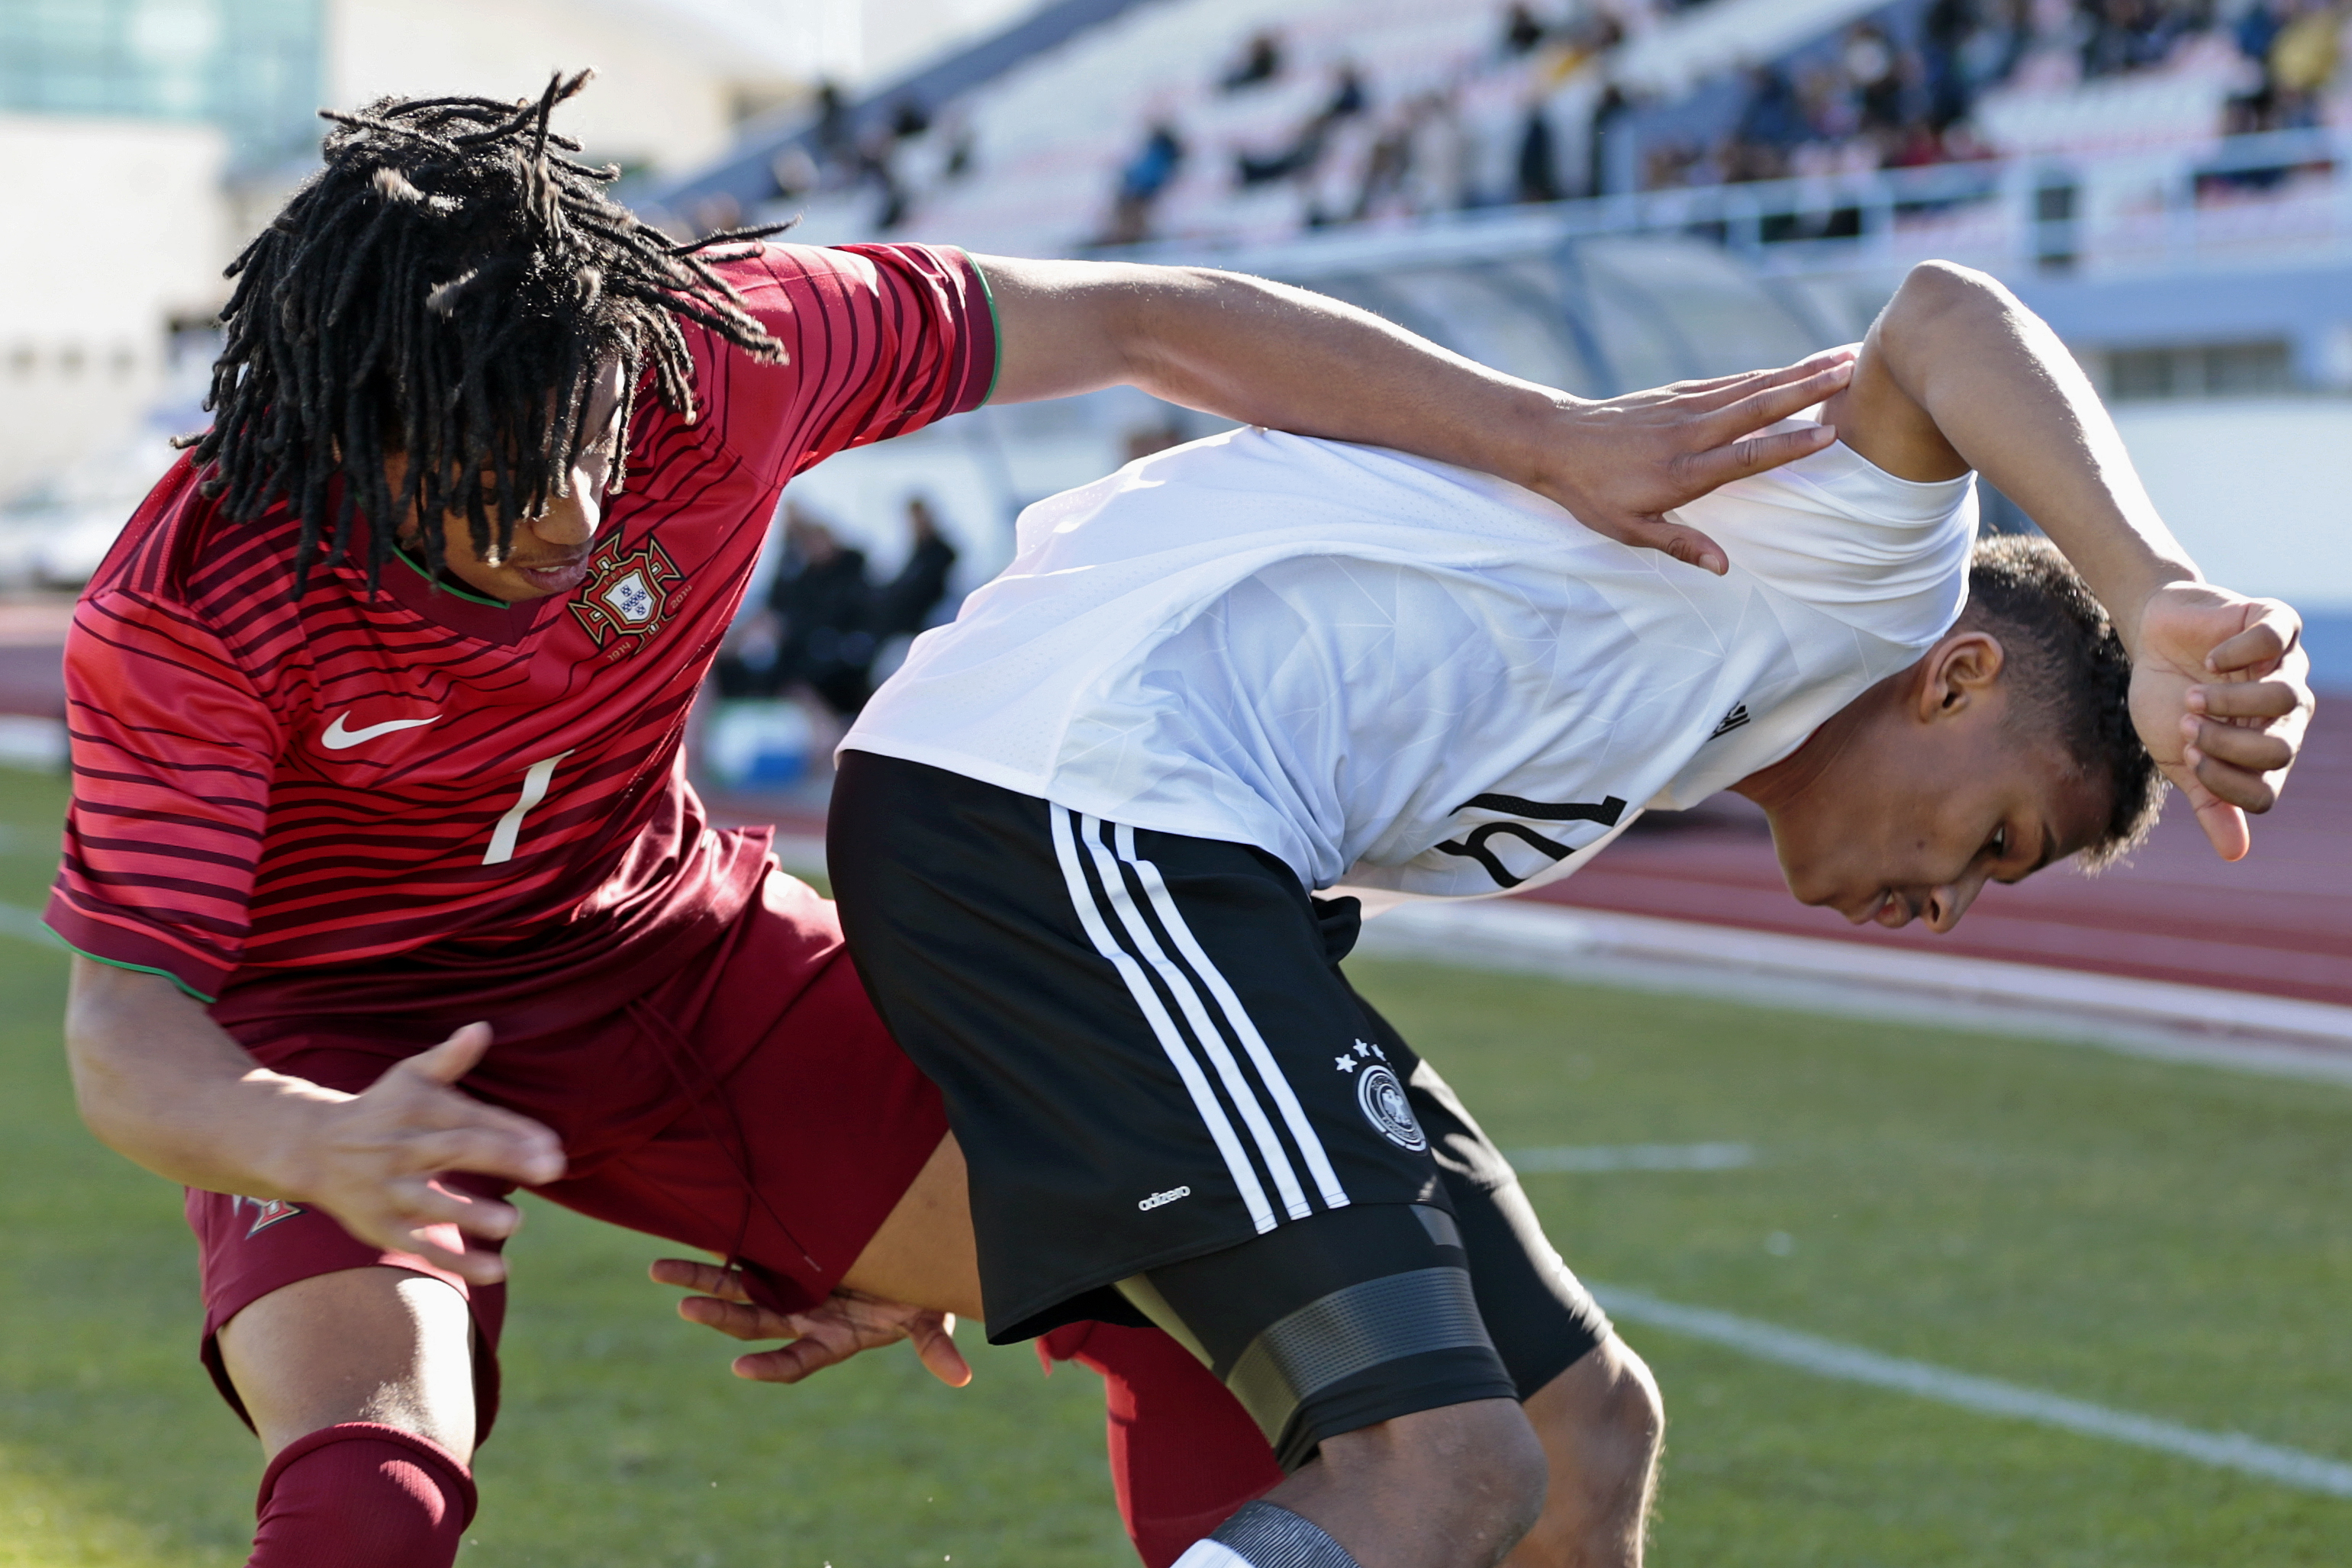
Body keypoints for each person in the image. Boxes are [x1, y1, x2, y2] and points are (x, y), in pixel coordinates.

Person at [50, 73, 1851, 1568]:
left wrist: (1539, 438)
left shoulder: (729, 350)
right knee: (375, 1476)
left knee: (1197, 1271)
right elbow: (130, 1029)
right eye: (497, 482)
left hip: (670, 949)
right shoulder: (196, 599)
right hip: (344, 1040)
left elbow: (1146, 320)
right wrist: (315, 1143)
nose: (581, 509)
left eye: (589, 433)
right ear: (349, 443)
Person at [820, 259, 2312, 1568]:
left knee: (1579, 1433)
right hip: (1075, 796)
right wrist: (2155, 589)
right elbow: (1941, 316)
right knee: (1443, 1466)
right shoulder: (1858, 582)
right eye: (1995, 837)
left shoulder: (1683, 727)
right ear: (1956, 677)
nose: (1946, 901)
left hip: (1127, 841)